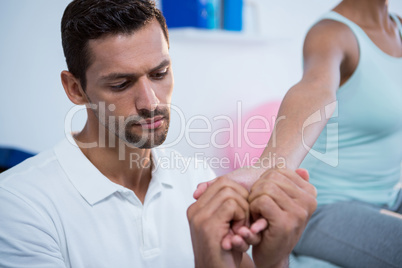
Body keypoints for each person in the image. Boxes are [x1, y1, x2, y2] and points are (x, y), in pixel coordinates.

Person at [0, 0, 317, 267]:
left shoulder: (197, 179)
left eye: (159, 73)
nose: (150, 102)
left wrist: (274, 260)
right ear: (75, 88)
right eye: (121, 84)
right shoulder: (18, 203)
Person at [195, 0, 402, 267]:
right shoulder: (332, 34)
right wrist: (268, 168)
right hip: (325, 207)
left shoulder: (397, 27)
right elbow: (315, 88)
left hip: (389, 195)